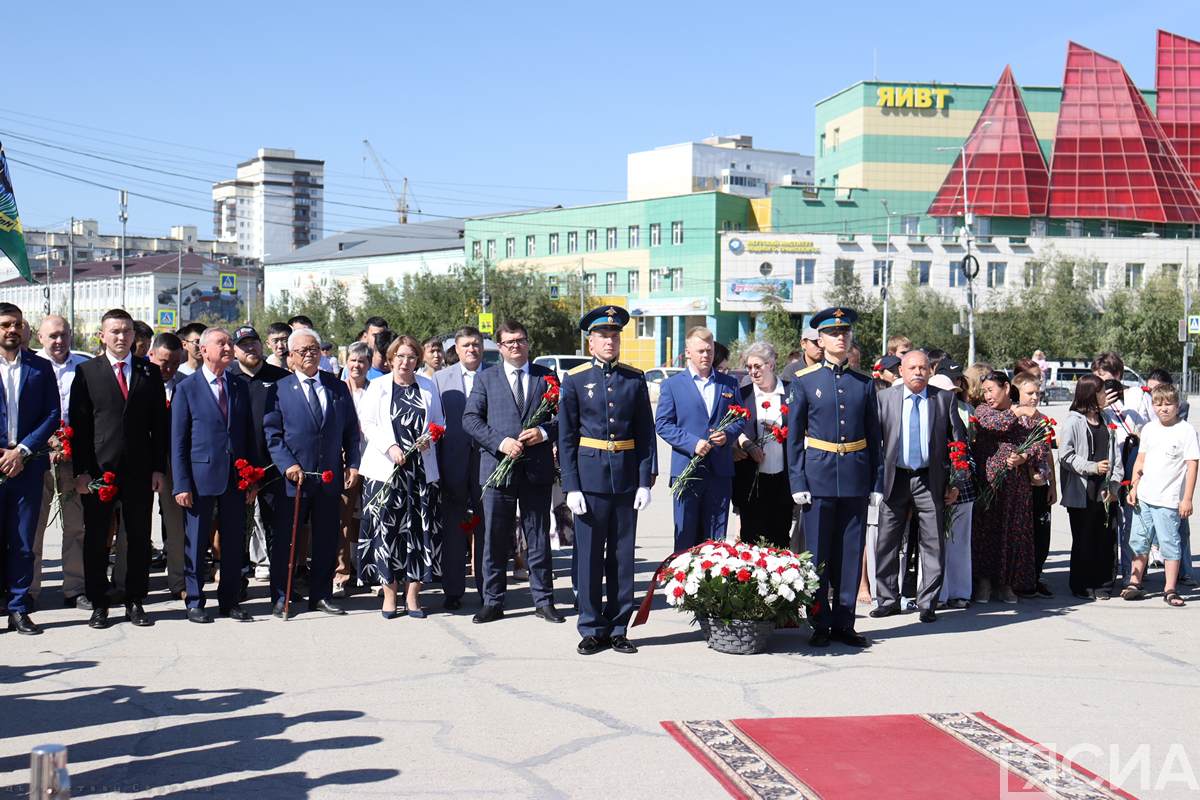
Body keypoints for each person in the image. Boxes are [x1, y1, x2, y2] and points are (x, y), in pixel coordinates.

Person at [560, 305, 654, 655]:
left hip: (626, 479)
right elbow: (566, 437)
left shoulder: (634, 378)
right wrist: (571, 486)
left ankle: (618, 627)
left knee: (622, 557)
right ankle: (590, 626)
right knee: (588, 558)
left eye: (614, 335)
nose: (610, 341)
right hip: (589, 479)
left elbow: (645, 433)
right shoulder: (576, 379)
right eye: (603, 336)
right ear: (591, 343)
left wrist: (645, 481)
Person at [787, 307, 881, 648]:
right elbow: (795, 438)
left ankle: (845, 622)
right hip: (818, 478)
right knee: (819, 555)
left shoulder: (864, 384)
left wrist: (876, 483)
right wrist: (797, 482)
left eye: (845, 332)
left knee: (850, 554)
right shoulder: (805, 381)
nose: (840, 337)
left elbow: (875, 437)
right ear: (820, 339)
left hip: (855, 478)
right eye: (833, 333)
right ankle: (819, 622)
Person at [70, 308, 169, 629]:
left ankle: (135, 599)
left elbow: (159, 425)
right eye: (114, 331)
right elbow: (80, 426)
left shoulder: (149, 372)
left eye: (127, 331)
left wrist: (158, 468)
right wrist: (82, 472)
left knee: (138, 537)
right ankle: (99, 602)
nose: (122, 337)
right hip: (100, 473)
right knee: (98, 538)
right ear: (102, 335)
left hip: (140, 472)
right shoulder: (87, 372)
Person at [462, 320, 561, 625]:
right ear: (500, 347)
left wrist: (543, 434)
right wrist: (500, 442)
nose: (516, 346)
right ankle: (493, 601)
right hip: (497, 470)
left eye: (520, 340)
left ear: (528, 343)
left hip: (536, 471)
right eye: (509, 342)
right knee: (494, 538)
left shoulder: (547, 377)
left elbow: (566, 419)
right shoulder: (487, 379)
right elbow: (470, 419)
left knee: (538, 537)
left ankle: (543, 600)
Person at [262, 327, 361, 618]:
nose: (309, 355)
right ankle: (281, 595)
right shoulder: (280, 389)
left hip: (329, 478)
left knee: (327, 538)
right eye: (302, 351)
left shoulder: (336, 386)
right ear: (290, 357)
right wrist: (287, 464)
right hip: (295, 478)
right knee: (287, 540)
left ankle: (321, 594)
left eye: (314, 350)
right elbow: (272, 433)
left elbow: (350, 432)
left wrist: (352, 463)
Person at [170, 328, 256, 623]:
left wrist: (250, 478)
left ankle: (230, 599)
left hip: (235, 478)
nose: (228, 347)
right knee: (195, 541)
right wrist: (181, 483)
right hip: (198, 477)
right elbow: (178, 441)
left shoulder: (237, 385)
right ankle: (194, 600)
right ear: (204, 350)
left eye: (229, 343)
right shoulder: (187, 388)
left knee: (233, 542)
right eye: (222, 343)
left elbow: (247, 435)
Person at [871, 350, 963, 623]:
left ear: (930, 371)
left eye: (923, 368)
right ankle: (887, 600)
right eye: (912, 367)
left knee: (933, 541)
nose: (918, 372)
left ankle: (928, 602)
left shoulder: (943, 399)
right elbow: (875, 445)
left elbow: (958, 443)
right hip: (894, 479)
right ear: (901, 371)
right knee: (886, 540)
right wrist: (874, 483)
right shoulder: (884, 399)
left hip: (929, 479)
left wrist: (956, 482)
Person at [357, 336, 445, 618]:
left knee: (418, 531)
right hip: (386, 470)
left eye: (411, 357)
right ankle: (389, 594)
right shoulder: (379, 386)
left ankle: (413, 596)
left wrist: (430, 437)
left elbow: (439, 422)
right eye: (400, 356)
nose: (405, 362)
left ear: (417, 360)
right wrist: (390, 447)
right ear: (391, 358)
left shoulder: (428, 386)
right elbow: (367, 422)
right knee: (387, 532)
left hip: (419, 471)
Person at [0, 303, 61, 634]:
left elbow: (52, 413)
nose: (12, 330)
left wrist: (22, 450)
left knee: (24, 540)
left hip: (27, 465)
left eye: (18, 325)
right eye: (6, 325)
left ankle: (19, 607)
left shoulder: (39, 367)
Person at [655, 326, 744, 551]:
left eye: (710, 351)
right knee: (686, 538)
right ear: (688, 352)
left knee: (716, 540)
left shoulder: (729, 383)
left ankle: (711, 586)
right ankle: (682, 584)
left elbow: (741, 418)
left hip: (719, 473)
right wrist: (692, 443)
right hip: (687, 472)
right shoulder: (672, 385)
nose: (706, 356)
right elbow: (663, 424)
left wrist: (728, 434)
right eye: (701, 351)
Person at [970, 371, 1046, 604]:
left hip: (1017, 486)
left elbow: (1040, 444)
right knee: (986, 533)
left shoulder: (1026, 415)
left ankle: (1007, 584)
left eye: (991, 390)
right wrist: (1018, 411)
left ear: (1005, 387)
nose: (988, 396)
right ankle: (983, 582)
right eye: (984, 391)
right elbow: (997, 425)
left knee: (1012, 534)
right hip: (989, 484)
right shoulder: (983, 411)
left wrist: (1024, 456)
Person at [30, 315, 90, 609]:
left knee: (76, 526)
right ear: (39, 337)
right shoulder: (30, 366)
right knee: (33, 526)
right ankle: (29, 590)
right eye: (52, 335)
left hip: (73, 458)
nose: (59, 341)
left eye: (64, 335)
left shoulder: (83, 366)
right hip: (36, 456)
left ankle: (75, 588)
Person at [1125, 383, 1197, 607]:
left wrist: (1187, 498)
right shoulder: (1149, 429)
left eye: (1168, 404)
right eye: (1158, 404)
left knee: (1169, 543)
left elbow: (1192, 465)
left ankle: (1170, 588)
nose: (1163, 408)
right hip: (1145, 497)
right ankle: (1135, 582)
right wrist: (1134, 486)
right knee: (1139, 541)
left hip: (1168, 501)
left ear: (1178, 406)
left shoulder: (1186, 431)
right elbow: (1141, 460)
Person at [433, 326, 489, 610]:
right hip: (452, 463)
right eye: (466, 345)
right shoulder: (441, 379)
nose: (472, 349)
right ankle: (453, 590)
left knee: (486, 528)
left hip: (487, 463)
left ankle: (487, 589)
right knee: (453, 529)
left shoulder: (494, 375)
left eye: (476, 344)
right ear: (456, 349)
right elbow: (436, 423)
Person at [229, 326, 290, 581]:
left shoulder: (280, 377)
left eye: (254, 343)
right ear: (234, 350)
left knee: (276, 526)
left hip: (272, 466)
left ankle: (280, 584)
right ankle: (239, 579)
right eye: (244, 344)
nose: (250, 348)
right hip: (237, 466)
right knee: (238, 527)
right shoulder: (228, 377)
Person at [1058, 375, 1123, 600]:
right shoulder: (1073, 421)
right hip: (1082, 490)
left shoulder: (1106, 419)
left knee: (1106, 539)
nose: (1106, 396)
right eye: (1102, 392)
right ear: (1090, 395)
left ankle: (1104, 584)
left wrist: (1114, 486)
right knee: (1084, 539)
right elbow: (1065, 456)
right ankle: (1082, 585)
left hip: (1105, 490)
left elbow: (1117, 457)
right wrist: (1092, 467)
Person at [732, 342, 793, 549]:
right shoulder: (743, 394)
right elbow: (733, 427)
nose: (753, 372)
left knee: (781, 537)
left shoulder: (792, 392)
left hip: (784, 479)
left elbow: (804, 428)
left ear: (772, 364)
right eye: (749, 367)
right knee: (751, 538)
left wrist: (784, 433)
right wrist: (747, 445)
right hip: (751, 479)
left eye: (758, 366)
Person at [141, 333, 186, 601]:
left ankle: (178, 581)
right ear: (151, 355)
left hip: (173, 462)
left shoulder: (186, 385)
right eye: (164, 362)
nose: (168, 369)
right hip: (141, 461)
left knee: (175, 526)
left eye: (175, 364)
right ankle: (127, 579)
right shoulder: (138, 381)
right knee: (134, 525)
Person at [930, 366, 977, 609]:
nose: (948, 397)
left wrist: (957, 485)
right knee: (934, 544)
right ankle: (938, 593)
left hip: (961, 489)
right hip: (932, 488)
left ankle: (960, 592)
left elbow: (963, 452)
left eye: (951, 393)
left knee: (959, 542)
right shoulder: (925, 415)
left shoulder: (960, 414)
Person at [333, 341, 373, 598]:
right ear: (346, 362)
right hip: (346, 462)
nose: (357, 365)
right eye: (353, 361)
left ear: (369, 365)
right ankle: (341, 573)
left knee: (371, 517)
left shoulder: (376, 389)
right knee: (342, 519)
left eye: (362, 361)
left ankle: (372, 571)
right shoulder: (337, 389)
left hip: (374, 460)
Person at [1012, 372, 1056, 599]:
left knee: (1042, 533)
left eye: (1037, 393)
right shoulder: (1013, 417)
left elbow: (1048, 454)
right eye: (1029, 393)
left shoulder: (1042, 419)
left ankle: (1036, 576)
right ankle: (1018, 580)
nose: (1034, 397)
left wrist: (1052, 485)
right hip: (1021, 485)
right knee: (1022, 534)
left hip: (1040, 482)